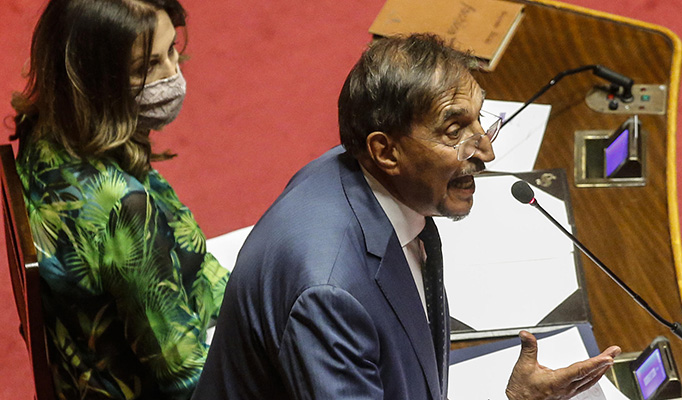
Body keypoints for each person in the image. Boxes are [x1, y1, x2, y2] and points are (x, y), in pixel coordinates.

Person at [194, 34, 620, 399]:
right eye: (454, 132)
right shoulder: (330, 293)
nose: (486, 152)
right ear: (385, 151)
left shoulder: (356, 172)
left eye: (481, 119)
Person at [10, 0, 230, 398]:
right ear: (93, 79)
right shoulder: (123, 208)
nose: (173, 74)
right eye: (146, 67)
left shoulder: (48, 127)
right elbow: (188, 381)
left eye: (171, 50)